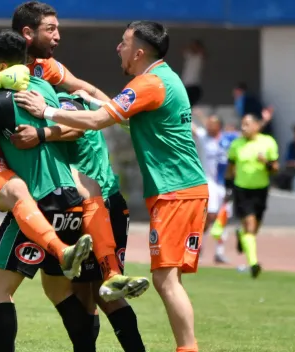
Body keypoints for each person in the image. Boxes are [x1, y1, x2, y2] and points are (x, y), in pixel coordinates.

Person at [17, 20, 209, 352]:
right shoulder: (165, 79)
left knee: (165, 280)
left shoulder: (148, 82)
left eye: (123, 43)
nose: (118, 48)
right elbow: (118, 115)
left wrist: (46, 110)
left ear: (138, 51)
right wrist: (93, 100)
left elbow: (99, 121)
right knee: (168, 280)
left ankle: (187, 349)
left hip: (175, 191)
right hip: (185, 188)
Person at [0, 29, 149, 352]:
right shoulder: (46, 89)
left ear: (2, 67)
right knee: (63, 290)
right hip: (74, 204)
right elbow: (75, 122)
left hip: (38, 204)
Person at [0, 1, 129, 289]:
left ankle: (110, 273)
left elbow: (87, 91)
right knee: (17, 199)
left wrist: (120, 113)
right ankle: (63, 254)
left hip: (23, 160)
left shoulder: (46, 69)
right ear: (28, 33)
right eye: (51, 29)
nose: (58, 36)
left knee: (89, 187)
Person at [10, 91, 146, 351]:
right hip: (105, 201)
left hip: (93, 206)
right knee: (92, 293)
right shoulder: (72, 97)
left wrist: (38, 134)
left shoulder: (60, 100)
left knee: (79, 291)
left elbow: (74, 126)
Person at [225, 114, 279, 278]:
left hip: (261, 190)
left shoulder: (268, 142)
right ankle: (254, 264)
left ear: (257, 125)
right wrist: (228, 188)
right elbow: (231, 167)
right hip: (242, 189)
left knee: (254, 229)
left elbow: (276, 168)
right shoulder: (236, 144)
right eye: (242, 124)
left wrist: (266, 163)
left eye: (247, 124)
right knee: (250, 224)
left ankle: (242, 236)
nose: (244, 128)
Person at [192, 115, 238, 264]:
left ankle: (219, 252)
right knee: (209, 216)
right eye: (208, 123)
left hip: (225, 184)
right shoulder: (205, 137)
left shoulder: (229, 139)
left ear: (219, 126)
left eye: (212, 124)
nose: (208, 126)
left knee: (223, 218)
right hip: (210, 182)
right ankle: (199, 246)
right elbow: (192, 127)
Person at [181, 39, 205, 107]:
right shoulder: (189, 55)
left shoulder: (199, 56)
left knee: (192, 104)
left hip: (195, 85)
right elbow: (183, 50)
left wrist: (197, 46)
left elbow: (203, 53)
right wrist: (191, 46)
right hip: (186, 84)